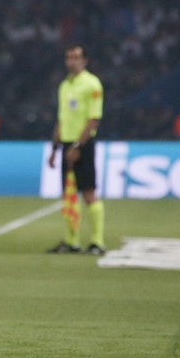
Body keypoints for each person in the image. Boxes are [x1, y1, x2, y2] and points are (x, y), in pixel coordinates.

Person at [47, 45, 106, 255]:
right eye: (68, 57)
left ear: (85, 60)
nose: (72, 61)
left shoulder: (92, 84)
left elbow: (94, 119)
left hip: (83, 145)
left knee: (89, 192)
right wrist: (55, 148)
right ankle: (72, 241)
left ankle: (97, 242)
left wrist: (78, 146)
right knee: (69, 194)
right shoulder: (64, 85)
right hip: (66, 144)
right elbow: (62, 118)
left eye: (76, 57)